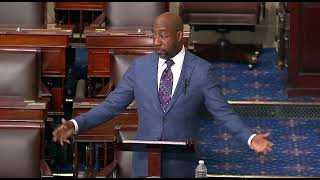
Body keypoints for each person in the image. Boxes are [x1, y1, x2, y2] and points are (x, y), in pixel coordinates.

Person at [53, 12, 273, 178]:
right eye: (154, 35)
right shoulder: (140, 68)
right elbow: (111, 106)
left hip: (183, 164)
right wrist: (75, 124)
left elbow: (223, 112)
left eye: (163, 35)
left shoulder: (202, 71)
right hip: (145, 163)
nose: (156, 42)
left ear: (180, 36)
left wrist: (250, 137)